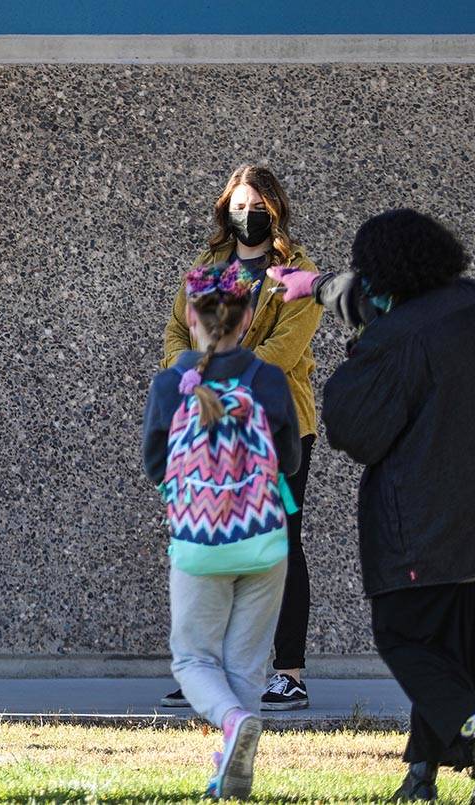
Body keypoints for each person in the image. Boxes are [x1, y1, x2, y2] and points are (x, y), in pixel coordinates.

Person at [272, 209, 475, 803]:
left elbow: (355, 429)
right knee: (464, 650)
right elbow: (371, 302)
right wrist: (315, 285)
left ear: (385, 273)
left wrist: (354, 360)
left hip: (424, 525)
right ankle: (423, 777)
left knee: (405, 638)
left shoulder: (396, 338)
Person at [161, 164, 322, 711]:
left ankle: (288, 671)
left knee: (280, 544)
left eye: (256, 205)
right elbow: (177, 333)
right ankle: (209, 673)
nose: (245, 214)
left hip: (276, 423)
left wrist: (224, 378)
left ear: (274, 209)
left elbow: (285, 348)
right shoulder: (209, 266)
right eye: (236, 204)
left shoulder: (298, 272)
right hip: (209, 422)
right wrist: (185, 373)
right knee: (214, 542)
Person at [144, 263, 301, 800]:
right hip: (264, 540)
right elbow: (291, 457)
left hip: (200, 544)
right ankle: (237, 761)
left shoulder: (173, 382)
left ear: (191, 316)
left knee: (193, 659)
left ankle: (232, 728)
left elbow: (155, 463)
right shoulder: (269, 379)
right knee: (248, 662)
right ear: (249, 316)